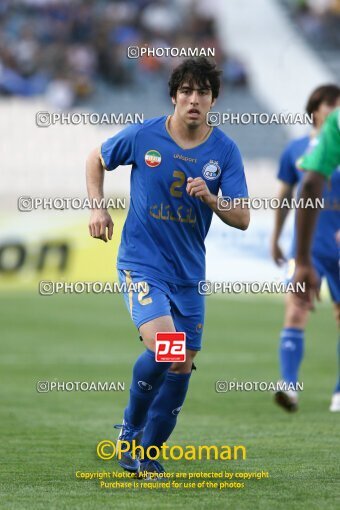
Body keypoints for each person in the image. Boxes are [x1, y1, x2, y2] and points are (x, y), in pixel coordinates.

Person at [85, 57, 249, 476]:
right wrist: (97, 209)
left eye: (203, 93)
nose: (194, 100)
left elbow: (243, 217)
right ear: (174, 96)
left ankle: (149, 451)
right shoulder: (144, 135)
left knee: (182, 363)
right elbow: (96, 158)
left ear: (214, 100)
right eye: (187, 91)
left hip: (189, 275)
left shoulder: (225, 151)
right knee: (167, 347)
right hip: (142, 264)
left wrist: (212, 199)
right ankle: (129, 431)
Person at [271, 85, 340, 412]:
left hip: (336, 243)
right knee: (296, 310)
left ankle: (339, 393)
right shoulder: (295, 149)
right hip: (306, 247)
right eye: (330, 104)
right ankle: (289, 387)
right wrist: (276, 236)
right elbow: (287, 195)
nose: (335, 109)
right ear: (315, 109)